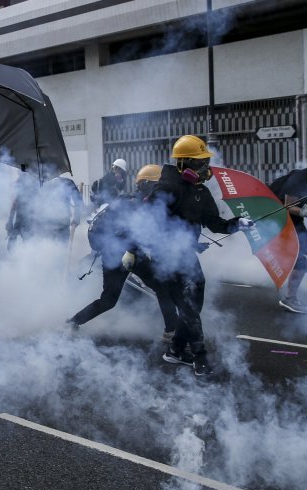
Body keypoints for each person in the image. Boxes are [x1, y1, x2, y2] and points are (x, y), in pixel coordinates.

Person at [140, 135, 254, 377]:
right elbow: (149, 223)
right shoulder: (165, 188)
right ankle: (199, 357)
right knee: (189, 305)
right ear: (183, 164)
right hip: (167, 257)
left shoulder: (200, 191)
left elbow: (214, 223)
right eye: (199, 163)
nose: (204, 168)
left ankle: (175, 350)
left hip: (186, 256)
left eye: (205, 163)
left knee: (193, 305)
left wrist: (237, 224)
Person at [66, 164, 177, 339]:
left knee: (108, 300)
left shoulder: (132, 200)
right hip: (126, 253)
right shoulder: (137, 203)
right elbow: (130, 232)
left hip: (113, 255)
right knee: (162, 287)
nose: (161, 190)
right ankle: (172, 332)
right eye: (158, 185)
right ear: (147, 184)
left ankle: (73, 321)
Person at [5, 173, 83, 249]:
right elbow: (20, 203)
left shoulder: (67, 183)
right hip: (44, 227)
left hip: (62, 226)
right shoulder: (36, 184)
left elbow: (78, 201)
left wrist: (77, 217)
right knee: (45, 252)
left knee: (60, 251)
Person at [269, 167, 307, 313]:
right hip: (278, 218)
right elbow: (288, 206)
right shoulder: (299, 178)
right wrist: (305, 211)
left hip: (294, 220)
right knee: (303, 256)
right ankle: (289, 299)